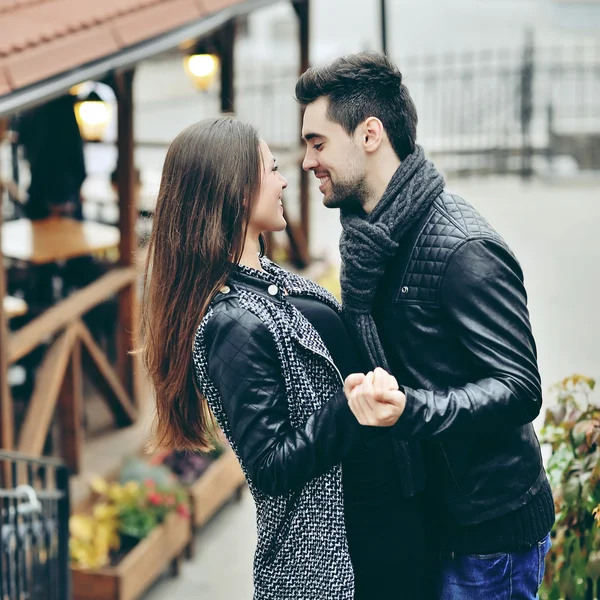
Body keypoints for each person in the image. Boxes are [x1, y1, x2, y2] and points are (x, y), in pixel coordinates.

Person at [296, 51, 555, 600]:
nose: (306, 161)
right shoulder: (369, 241)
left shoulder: (463, 248)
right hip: (430, 519)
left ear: (370, 134)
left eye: (317, 143)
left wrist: (411, 409)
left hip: (488, 538)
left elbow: (519, 389)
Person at [140, 116, 427, 599]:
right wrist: (349, 406)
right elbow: (270, 465)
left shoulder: (265, 277)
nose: (283, 180)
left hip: (373, 529)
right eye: (271, 169)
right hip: (335, 559)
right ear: (233, 190)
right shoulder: (231, 322)